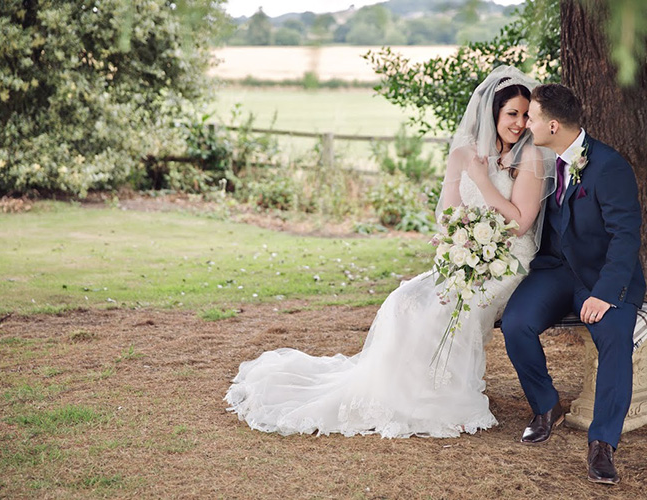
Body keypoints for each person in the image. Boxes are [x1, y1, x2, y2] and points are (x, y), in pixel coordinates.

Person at [224, 66, 555, 438]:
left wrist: (482, 183)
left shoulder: (530, 159)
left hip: (509, 260)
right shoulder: (463, 154)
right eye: (512, 113)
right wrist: (458, 243)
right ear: (493, 113)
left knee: (451, 309)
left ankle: (445, 397)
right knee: (405, 302)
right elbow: (448, 214)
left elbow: (520, 222)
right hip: (468, 254)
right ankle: (407, 392)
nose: (520, 122)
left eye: (526, 115)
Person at [500, 83, 646, 484]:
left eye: (529, 117)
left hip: (601, 275)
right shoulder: (542, 158)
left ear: (552, 124)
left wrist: (605, 293)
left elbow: (625, 236)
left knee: (615, 334)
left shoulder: (609, 166)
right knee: (516, 325)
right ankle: (546, 406)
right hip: (555, 269)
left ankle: (602, 444)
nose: (524, 123)